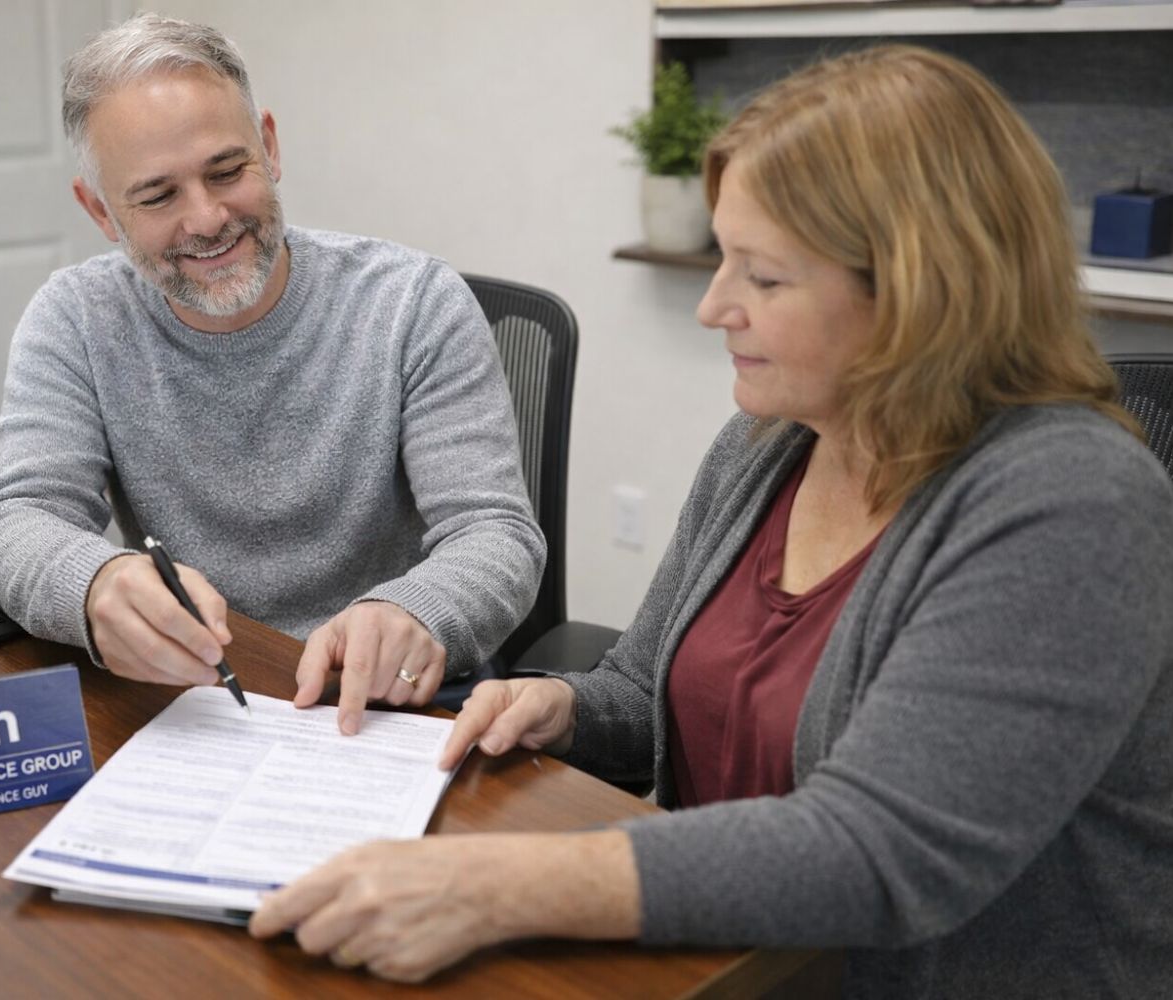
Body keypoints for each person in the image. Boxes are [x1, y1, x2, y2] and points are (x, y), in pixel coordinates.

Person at [249, 45, 1173, 994]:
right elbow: (647, 690)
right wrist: (562, 710)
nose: (712, 307)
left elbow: (878, 852)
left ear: (919, 294)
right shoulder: (770, 444)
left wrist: (490, 886)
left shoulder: (1073, 503)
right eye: (721, 258)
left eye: (763, 278)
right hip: (728, 967)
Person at [0, 15, 545, 734]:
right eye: (157, 197)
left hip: (391, 707)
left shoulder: (413, 302)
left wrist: (413, 609)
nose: (208, 219)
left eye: (227, 171)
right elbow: (18, 518)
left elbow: (495, 532)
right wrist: (96, 582)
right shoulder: (75, 318)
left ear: (269, 148)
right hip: (200, 703)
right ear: (99, 210)